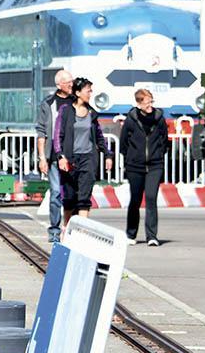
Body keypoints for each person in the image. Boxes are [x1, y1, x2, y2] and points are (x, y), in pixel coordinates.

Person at [54, 77, 113, 228]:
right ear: (78, 92)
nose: (91, 93)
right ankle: (66, 229)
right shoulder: (65, 111)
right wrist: (60, 156)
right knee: (70, 197)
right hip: (70, 159)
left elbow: (99, 136)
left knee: (84, 197)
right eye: (88, 90)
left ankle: (81, 230)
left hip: (88, 159)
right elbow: (57, 135)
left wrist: (107, 154)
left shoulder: (92, 113)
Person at [120, 88, 169, 246]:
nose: (150, 105)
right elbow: (123, 143)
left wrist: (159, 155)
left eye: (151, 102)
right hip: (135, 166)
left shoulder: (159, 118)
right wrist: (131, 158)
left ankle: (152, 236)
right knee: (135, 199)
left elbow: (164, 139)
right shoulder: (131, 119)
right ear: (139, 103)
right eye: (147, 102)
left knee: (151, 198)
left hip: (155, 165)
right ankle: (131, 233)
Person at [34, 70, 74, 243]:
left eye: (72, 81)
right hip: (53, 156)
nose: (71, 85)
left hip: (73, 156)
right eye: (68, 82)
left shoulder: (77, 102)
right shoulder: (48, 104)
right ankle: (55, 230)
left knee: (72, 194)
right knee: (56, 192)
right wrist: (42, 157)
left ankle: (70, 228)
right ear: (59, 85)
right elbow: (41, 132)